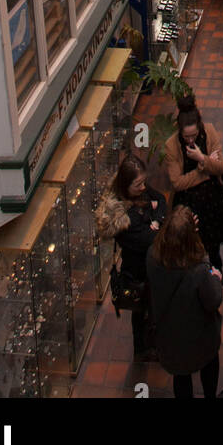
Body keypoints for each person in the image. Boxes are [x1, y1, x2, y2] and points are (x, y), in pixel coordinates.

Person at [145, 207, 223, 399]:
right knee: (209, 367)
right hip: (199, 335)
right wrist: (215, 276)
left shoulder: (152, 255)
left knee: (181, 376)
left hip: (170, 333)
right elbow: (213, 300)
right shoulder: (197, 268)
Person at [95, 153, 167, 360]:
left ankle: (150, 344)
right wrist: (152, 220)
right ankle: (143, 350)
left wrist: (155, 218)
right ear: (126, 185)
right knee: (142, 309)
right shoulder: (121, 218)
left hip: (149, 265)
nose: (144, 187)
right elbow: (148, 238)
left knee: (151, 307)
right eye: (138, 184)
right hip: (137, 270)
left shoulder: (138, 195)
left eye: (144, 182)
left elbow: (160, 200)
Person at [164, 95, 223, 271]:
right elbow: (177, 183)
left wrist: (201, 158)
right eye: (186, 136)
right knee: (193, 245)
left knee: (214, 244)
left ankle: (216, 270)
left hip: (213, 201)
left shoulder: (209, 132)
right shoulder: (172, 146)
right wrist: (204, 168)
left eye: (193, 135)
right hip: (189, 205)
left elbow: (221, 167)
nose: (190, 140)